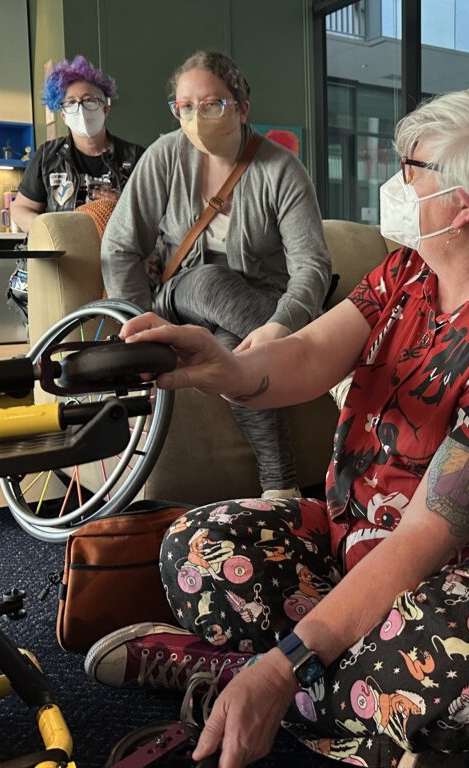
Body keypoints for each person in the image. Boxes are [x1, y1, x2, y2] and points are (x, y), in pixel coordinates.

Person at [87, 88, 469, 768]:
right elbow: (305, 357)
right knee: (196, 547)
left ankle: (242, 677)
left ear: (462, 204)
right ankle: (360, 713)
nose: (399, 181)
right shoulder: (409, 273)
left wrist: (281, 665)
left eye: (411, 167)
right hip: (351, 539)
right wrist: (223, 367)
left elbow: (420, 541)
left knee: (456, 666)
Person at [100, 50, 331, 499]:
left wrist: (278, 328)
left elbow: (312, 265)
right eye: (185, 106)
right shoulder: (164, 157)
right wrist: (140, 327)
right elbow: (120, 245)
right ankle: (335, 370)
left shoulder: (282, 170)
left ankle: (280, 490)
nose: (196, 116)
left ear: (242, 108)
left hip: (260, 302)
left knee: (234, 360)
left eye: (212, 104)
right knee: (208, 279)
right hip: (180, 298)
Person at [10, 55, 145, 233]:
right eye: (71, 102)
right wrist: (48, 230)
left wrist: (123, 206)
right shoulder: (47, 156)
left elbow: (155, 216)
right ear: (64, 115)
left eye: (89, 100)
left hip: (116, 255)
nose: (80, 108)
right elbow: (20, 209)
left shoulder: (135, 156)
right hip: (64, 255)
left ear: (105, 109)